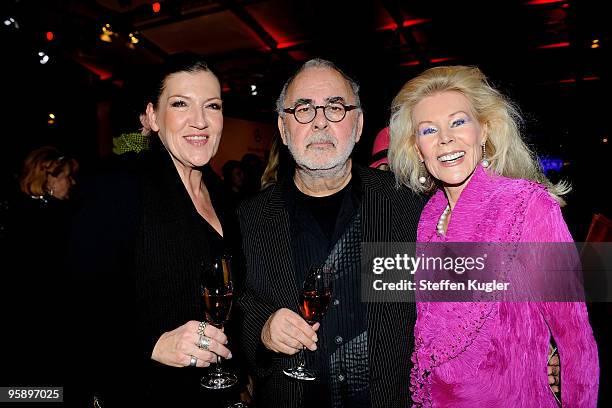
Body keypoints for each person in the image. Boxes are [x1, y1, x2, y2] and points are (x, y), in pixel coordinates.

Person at [388, 65, 599, 407]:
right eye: (429, 130)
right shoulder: (429, 216)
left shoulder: (529, 206)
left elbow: (575, 337)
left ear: (483, 129)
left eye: (458, 122)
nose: (445, 139)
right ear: (416, 147)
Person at [237, 58, 425, 407]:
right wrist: (263, 331)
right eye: (304, 109)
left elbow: (468, 291)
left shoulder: (407, 206)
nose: (320, 121)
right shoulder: (248, 218)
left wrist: (537, 349)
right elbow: (236, 311)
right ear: (282, 127)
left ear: (358, 125)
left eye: (336, 107)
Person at [69, 55, 242, 406]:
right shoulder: (119, 189)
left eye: (212, 106)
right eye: (181, 104)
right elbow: (75, 307)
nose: (200, 121)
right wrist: (150, 344)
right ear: (152, 117)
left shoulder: (227, 197)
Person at [0, 145, 79, 387]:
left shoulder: (20, 210)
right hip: (39, 318)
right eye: (67, 176)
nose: (72, 183)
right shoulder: (47, 218)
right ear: (49, 178)